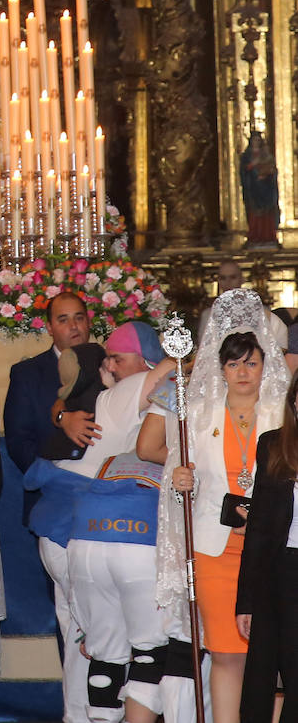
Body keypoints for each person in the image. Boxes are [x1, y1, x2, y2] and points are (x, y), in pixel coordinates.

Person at [27, 323, 174, 723]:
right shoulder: (133, 389)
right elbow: (171, 370)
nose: (110, 364)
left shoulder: (106, 396)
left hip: (75, 533)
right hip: (86, 531)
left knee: (97, 644)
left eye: (117, 357)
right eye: (108, 357)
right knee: (100, 645)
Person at [158, 290, 290, 723]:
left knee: (271, 653)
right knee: (227, 653)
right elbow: (177, 474)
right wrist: (181, 480)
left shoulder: (282, 414)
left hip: (271, 549)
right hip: (216, 549)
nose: (243, 372)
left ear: (265, 364)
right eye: (233, 363)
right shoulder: (199, 413)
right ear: (221, 368)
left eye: (251, 362)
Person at [2, 291, 92, 723]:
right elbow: (17, 442)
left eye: (79, 317)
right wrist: (55, 469)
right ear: (49, 327)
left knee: (105, 611)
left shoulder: (106, 364)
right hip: (53, 505)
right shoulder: (27, 373)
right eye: (63, 319)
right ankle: (75, 707)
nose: (73, 326)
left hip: (104, 504)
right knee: (67, 610)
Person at [236, 367, 298, 723]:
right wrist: (246, 600)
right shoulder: (274, 445)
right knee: (281, 676)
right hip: (283, 575)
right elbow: (258, 529)